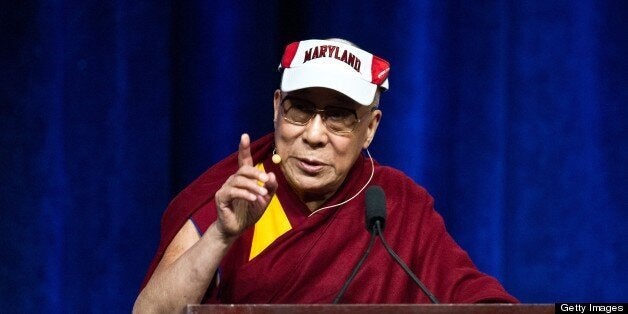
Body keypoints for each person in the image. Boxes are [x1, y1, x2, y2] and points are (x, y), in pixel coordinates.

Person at [133, 38, 517, 312]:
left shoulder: (394, 203)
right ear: (276, 107)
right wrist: (221, 234)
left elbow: (474, 298)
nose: (314, 135)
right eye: (299, 110)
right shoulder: (239, 190)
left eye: (338, 116)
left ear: (370, 127)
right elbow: (149, 312)